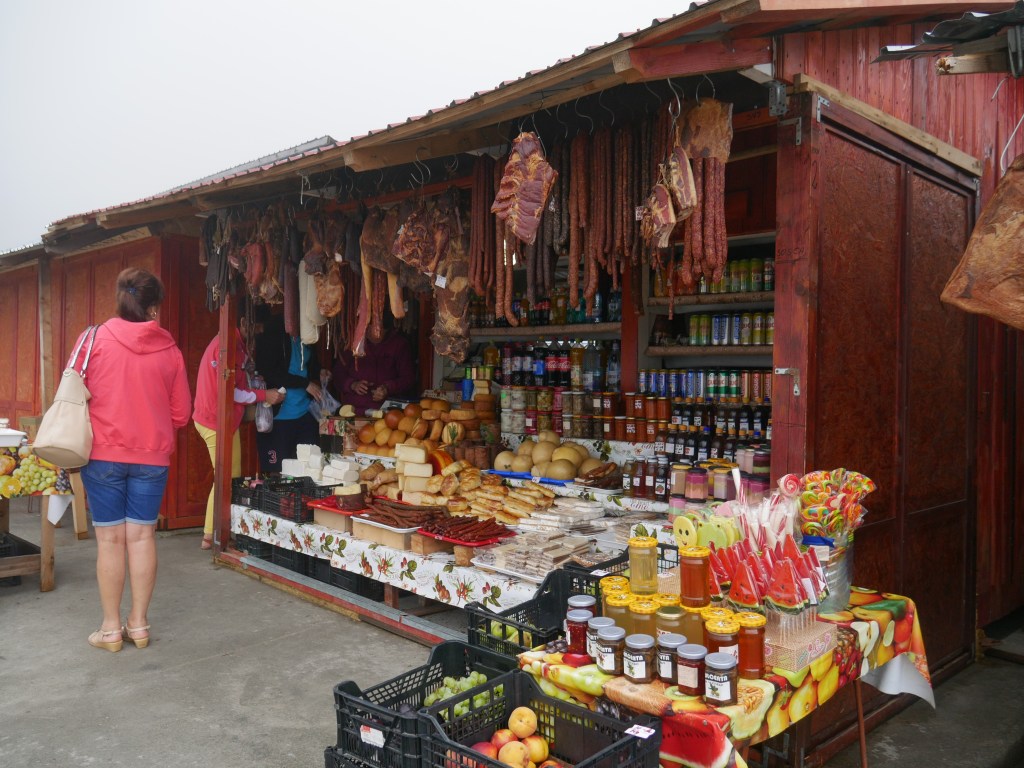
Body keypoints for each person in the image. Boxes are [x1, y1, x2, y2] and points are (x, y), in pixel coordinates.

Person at [78, 267, 192, 653]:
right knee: (142, 537)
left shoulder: (93, 339)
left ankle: (110, 630)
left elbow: (75, 392)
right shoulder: (171, 351)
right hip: (152, 458)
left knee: (109, 540)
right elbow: (181, 415)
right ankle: (139, 625)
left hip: (102, 455)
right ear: (155, 307)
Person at [192, 317, 284, 549]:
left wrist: (255, 383)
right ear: (244, 321)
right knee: (225, 479)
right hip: (216, 420)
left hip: (221, 419)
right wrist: (264, 395)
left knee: (229, 477)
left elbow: (238, 381)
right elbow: (230, 391)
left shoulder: (235, 343)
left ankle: (218, 532)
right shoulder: (227, 345)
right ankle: (211, 535)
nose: (259, 333)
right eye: (257, 327)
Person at [252, 311, 321, 473]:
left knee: (308, 471)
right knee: (276, 473)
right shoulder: (274, 335)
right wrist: (305, 384)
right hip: (279, 416)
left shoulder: (307, 337)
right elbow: (268, 370)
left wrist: (320, 372)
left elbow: (309, 366)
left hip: (305, 414)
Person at [331, 324, 417, 414]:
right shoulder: (353, 342)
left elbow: (408, 378)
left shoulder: (399, 344)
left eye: (379, 330)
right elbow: (338, 374)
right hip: (355, 410)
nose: (375, 333)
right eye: (369, 329)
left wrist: (388, 387)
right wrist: (353, 385)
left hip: (388, 411)